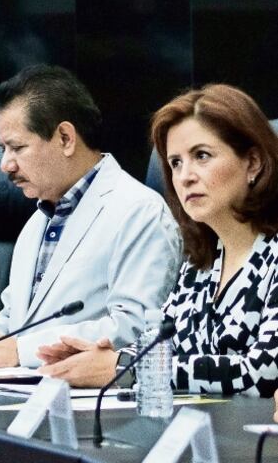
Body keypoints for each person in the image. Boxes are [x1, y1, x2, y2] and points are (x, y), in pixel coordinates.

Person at [39, 85, 278, 398]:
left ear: (253, 163)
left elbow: (263, 371)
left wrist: (127, 367)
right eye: (175, 163)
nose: (185, 176)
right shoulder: (199, 265)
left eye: (201, 156)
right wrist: (92, 359)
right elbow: (159, 344)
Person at [0, 65, 181, 368]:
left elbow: (136, 327)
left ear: (66, 138)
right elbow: (17, 315)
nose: (5, 165)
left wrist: (21, 351)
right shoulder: (38, 219)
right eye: (2, 149)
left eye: (17, 148)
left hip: (95, 403)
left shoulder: (139, 211)